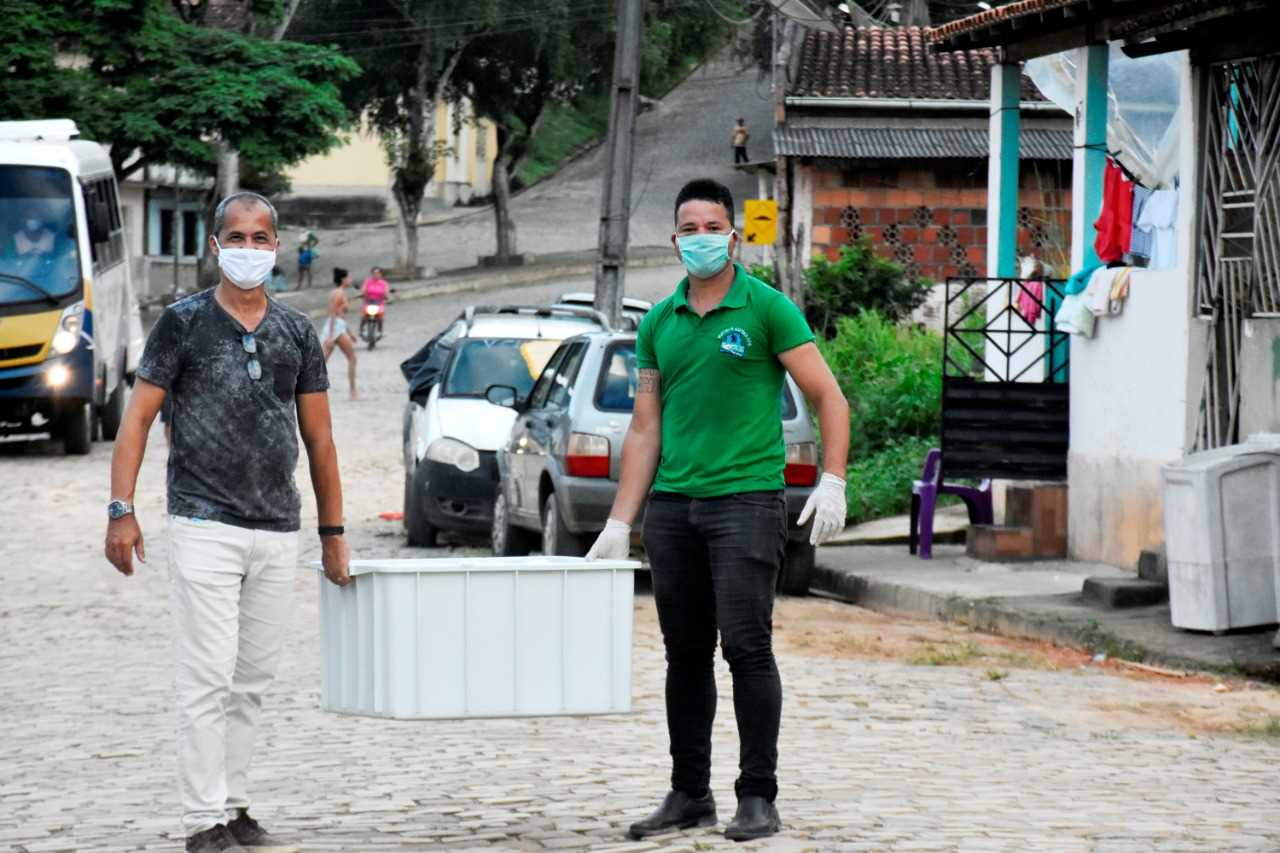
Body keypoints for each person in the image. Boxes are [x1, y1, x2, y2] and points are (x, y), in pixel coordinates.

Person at [586, 178, 850, 843]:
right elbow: (645, 427)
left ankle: (758, 795)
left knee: (747, 646)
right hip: (674, 509)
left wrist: (835, 478)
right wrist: (622, 520)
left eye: (713, 226)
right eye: (688, 227)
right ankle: (689, 791)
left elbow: (828, 395)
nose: (701, 237)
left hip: (745, 502)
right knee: (684, 654)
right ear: (674, 238)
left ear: (734, 234)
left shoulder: (766, 309)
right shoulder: (656, 322)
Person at [103, 191, 351, 853]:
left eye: (260, 237)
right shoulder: (182, 325)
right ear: (215, 246)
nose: (249, 248)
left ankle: (236, 804)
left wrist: (334, 532)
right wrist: (121, 510)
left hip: (277, 527)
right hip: (203, 523)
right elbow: (138, 418)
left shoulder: (297, 332)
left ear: (277, 245)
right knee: (206, 676)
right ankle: (201, 818)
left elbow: (321, 441)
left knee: (252, 680)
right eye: (236, 237)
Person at [321, 267, 358, 400]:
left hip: (339, 327)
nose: (350, 280)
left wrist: (350, 333)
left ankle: (353, 392)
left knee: (322, 363)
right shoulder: (338, 294)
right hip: (335, 327)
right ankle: (352, 392)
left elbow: (340, 316)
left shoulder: (339, 292)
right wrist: (331, 335)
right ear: (343, 279)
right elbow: (333, 314)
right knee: (351, 358)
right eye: (348, 277)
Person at [359, 266, 390, 338]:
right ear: (372, 274)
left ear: (381, 274)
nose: (376, 275)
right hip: (368, 302)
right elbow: (363, 289)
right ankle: (361, 329)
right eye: (374, 273)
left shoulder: (384, 283)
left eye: (378, 273)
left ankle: (380, 331)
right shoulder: (367, 282)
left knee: (380, 317)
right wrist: (363, 293)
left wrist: (386, 296)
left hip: (379, 302)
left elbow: (386, 292)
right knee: (364, 316)